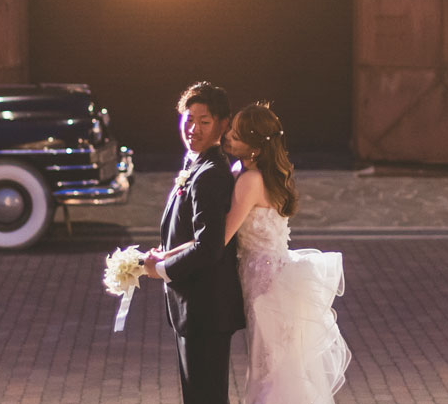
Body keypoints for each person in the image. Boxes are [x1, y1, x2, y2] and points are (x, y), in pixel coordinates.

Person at [223, 102, 351, 403]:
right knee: (279, 365)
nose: (227, 136)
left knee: (269, 369)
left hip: (264, 284)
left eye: (236, 135)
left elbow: (223, 236)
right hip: (278, 276)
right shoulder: (267, 175)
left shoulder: (250, 180)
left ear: (255, 148)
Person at [143, 81, 245, 404]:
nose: (193, 129)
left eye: (204, 121)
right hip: (196, 309)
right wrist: (162, 255)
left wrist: (162, 269)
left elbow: (209, 246)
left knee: (206, 397)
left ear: (223, 125)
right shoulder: (196, 163)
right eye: (188, 120)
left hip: (206, 309)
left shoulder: (211, 173)